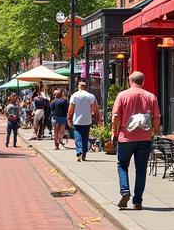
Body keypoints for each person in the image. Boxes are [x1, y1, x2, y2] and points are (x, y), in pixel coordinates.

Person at [111, 71, 161, 209]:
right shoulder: (151, 97)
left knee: (122, 165)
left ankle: (125, 191)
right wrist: (154, 132)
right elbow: (157, 118)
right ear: (143, 81)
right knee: (141, 169)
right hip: (144, 138)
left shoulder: (122, 95)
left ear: (129, 80)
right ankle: (137, 201)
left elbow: (116, 116)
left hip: (126, 137)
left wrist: (115, 131)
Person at [67, 82, 100, 163]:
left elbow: (71, 109)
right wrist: (96, 118)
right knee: (85, 137)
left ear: (79, 87)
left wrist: (69, 118)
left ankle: (79, 151)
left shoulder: (74, 96)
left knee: (77, 136)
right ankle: (84, 153)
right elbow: (95, 109)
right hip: (87, 120)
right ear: (86, 87)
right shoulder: (91, 96)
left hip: (77, 120)